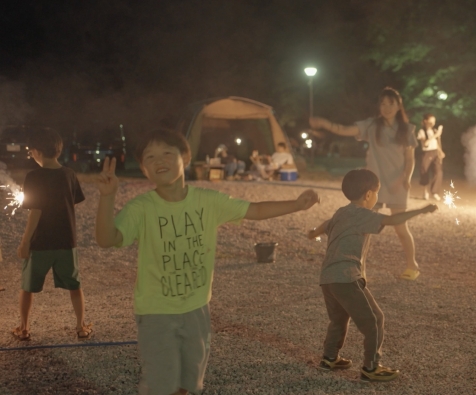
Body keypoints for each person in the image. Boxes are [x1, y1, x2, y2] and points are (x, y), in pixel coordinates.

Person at [95, 129, 320, 395]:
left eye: (168, 153)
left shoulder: (208, 201)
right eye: (150, 157)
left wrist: (296, 204)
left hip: (197, 308)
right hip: (156, 311)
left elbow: (255, 210)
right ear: (144, 169)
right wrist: (107, 197)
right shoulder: (141, 208)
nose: (159, 160)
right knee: (161, 385)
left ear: (186, 158)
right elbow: (107, 239)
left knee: (188, 383)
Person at [308, 169, 437, 382]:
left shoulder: (342, 211)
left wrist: (313, 233)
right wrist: (421, 210)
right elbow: (393, 220)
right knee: (374, 319)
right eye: (376, 193)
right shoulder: (363, 214)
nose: (377, 198)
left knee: (338, 319)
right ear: (368, 194)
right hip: (347, 276)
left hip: (328, 277)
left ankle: (329, 358)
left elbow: (326, 224)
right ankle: (371, 367)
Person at [309, 87, 422, 281]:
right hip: (372, 185)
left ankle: (412, 265)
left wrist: (406, 178)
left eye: (391, 104)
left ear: (398, 106)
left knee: (401, 227)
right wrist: (325, 123)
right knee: (364, 227)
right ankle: (360, 269)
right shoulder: (371, 125)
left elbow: (410, 159)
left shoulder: (407, 129)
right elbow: (344, 130)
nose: (386, 108)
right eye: (383, 103)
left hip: (397, 183)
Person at [13, 128, 89, 341]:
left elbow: (36, 211)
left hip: (40, 243)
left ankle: (24, 328)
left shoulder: (33, 176)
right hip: (67, 241)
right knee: (75, 286)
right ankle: (81, 327)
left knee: (27, 287)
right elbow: (73, 202)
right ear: (58, 150)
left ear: (36, 151)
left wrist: (25, 241)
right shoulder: (69, 174)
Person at [416, 113, 444, 200]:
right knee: (424, 172)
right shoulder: (421, 131)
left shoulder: (434, 131)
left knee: (438, 172)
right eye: (431, 121)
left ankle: (434, 192)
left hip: (435, 152)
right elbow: (425, 143)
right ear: (425, 121)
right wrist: (436, 135)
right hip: (426, 153)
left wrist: (440, 151)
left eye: (434, 121)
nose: (433, 123)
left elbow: (437, 143)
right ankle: (425, 192)